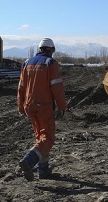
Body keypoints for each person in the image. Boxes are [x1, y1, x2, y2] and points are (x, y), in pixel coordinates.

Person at [17, 38, 67, 181]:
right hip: (43, 106)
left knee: (40, 137)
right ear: (51, 50)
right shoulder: (50, 63)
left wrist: (21, 106)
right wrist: (62, 106)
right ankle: (29, 160)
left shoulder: (26, 63)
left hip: (29, 105)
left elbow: (21, 87)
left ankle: (43, 170)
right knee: (48, 138)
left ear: (39, 49)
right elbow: (56, 87)